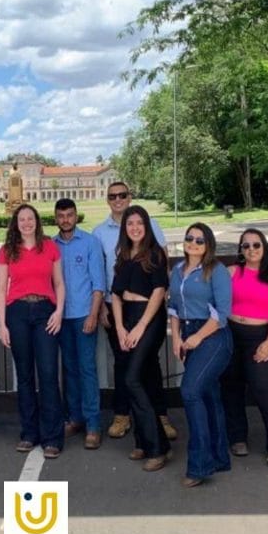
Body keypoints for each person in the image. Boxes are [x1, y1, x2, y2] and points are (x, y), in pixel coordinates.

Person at [92, 181, 177, 441]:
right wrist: (102, 308)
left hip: (148, 307)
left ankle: (159, 416)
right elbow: (101, 273)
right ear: (107, 200)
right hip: (115, 306)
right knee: (122, 362)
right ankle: (122, 415)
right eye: (112, 196)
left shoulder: (150, 227)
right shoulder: (99, 233)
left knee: (149, 363)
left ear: (129, 197)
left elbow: (162, 267)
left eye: (122, 195)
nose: (117, 199)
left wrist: (160, 302)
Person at [0, 204, 66, 459]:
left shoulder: (49, 246)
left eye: (30, 218)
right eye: (22, 219)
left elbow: (59, 283)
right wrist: (2, 323)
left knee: (48, 373)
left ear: (37, 221)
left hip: (45, 311)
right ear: (16, 223)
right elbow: (1, 288)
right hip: (17, 313)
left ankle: (52, 437)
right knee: (24, 375)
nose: (26, 223)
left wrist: (58, 312)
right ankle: (29, 433)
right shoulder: (7, 251)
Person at [168, 223, 233, 487]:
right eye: (189, 238)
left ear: (208, 245)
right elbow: (173, 307)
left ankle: (199, 465)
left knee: (190, 391)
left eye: (200, 240)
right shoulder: (177, 270)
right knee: (208, 395)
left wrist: (197, 337)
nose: (193, 243)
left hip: (213, 336)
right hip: (187, 332)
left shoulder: (216, 271)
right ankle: (219, 457)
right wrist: (176, 338)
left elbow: (222, 313)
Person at [221, 229, 268, 466]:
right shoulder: (231, 272)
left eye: (256, 245)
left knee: (265, 390)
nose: (251, 249)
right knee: (231, 388)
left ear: (264, 248)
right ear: (241, 249)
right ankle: (237, 437)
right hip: (231, 333)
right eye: (246, 245)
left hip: (259, 336)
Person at [111, 205, 171, 471]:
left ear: (146, 226)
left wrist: (140, 327)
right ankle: (142, 441)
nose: (135, 228)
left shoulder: (155, 254)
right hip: (126, 317)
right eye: (130, 223)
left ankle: (158, 446)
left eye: (139, 223)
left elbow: (159, 291)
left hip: (149, 318)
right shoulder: (123, 256)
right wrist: (120, 328)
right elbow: (116, 295)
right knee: (140, 379)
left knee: (132, 379)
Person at [53, 198, 106, 450]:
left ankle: (93, 424)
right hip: (60, 318)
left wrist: (93, 314)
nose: (66, 220)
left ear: (76, 216)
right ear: (56, 218)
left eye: (70, 215)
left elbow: (98, 283)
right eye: (61, 216)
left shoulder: (90, 242)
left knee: (87, 369)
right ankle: (74, 418)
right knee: (69, 369)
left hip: (84, 315)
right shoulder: (50, 245)